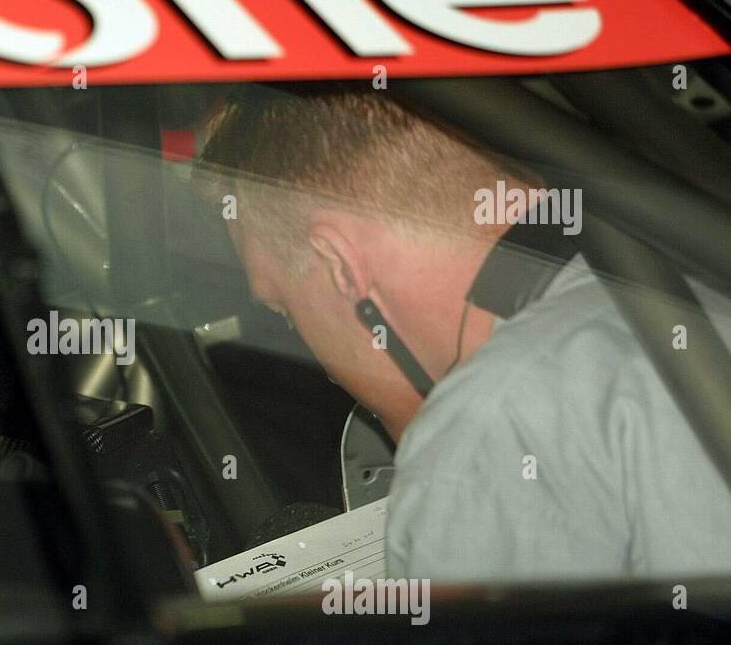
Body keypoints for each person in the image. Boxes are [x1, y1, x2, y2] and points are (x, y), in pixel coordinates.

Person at [197, 88, 731, 582]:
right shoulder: (693, 280)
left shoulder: (492, 430)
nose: (328, 371)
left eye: (285, 309)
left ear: (341, 265)